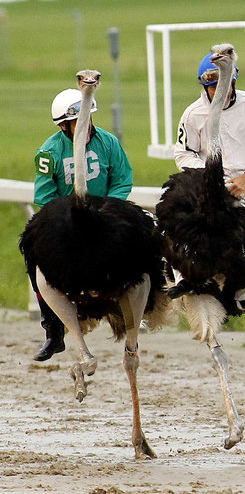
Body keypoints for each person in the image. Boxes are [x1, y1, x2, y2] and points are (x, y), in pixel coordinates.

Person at [172, 49, 245, 316]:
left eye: (223, 85)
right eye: (212, 87)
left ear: (233, 81)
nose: (219, 92)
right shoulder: (192, 114)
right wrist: (209, 175)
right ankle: (183, 276)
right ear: (205, 87)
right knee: (178, 218)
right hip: (209, 184)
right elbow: (182, 152)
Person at [31, 88, 134, 361]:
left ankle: (150, 300)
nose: (86, 126)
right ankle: (53, 331)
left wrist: (108, 210)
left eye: (88, 119)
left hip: (106, 215)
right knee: (31, 251)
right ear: (64, 126)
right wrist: (66, 218)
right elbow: (43, 195)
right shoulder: (48, 152)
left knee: (146, 234)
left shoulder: (109, 142)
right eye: (79, 122)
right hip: (66, 220)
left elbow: (123, 179)